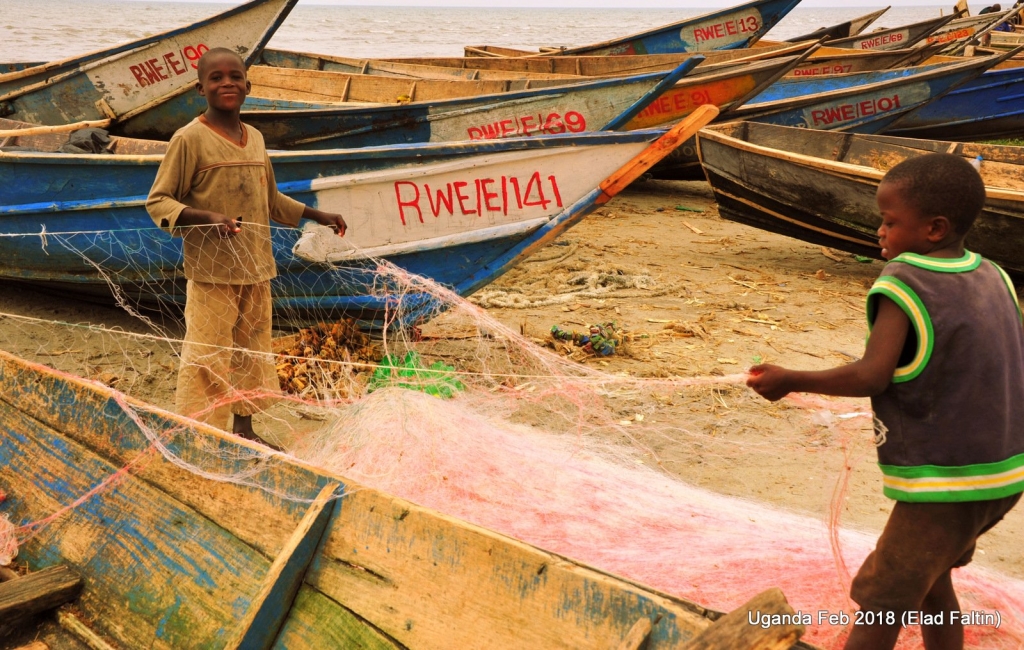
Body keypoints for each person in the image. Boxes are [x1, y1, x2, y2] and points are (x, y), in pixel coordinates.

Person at [747, 154, 1024, 650]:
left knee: (882, 598)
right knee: (932, 580)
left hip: (945, 483)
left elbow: (872, 375)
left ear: (934, 229)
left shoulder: (904, 281)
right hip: (1003, 472)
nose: (880, 231)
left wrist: (791, 378)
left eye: (890, 221)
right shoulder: (994, 275)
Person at [147, 47, 347, 447]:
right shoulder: (189, 139)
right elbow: (159, 201)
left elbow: (270, 199)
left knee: (251, 353)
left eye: (235, 77)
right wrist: (209, 218)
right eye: (216, 78)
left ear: (248, 86)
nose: (227, 84)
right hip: (212, 271)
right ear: (200, 87)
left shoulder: (254, 138)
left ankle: (243, 430)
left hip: (257, 267)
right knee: (208, 354)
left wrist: (316, 214)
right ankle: (200, 432)